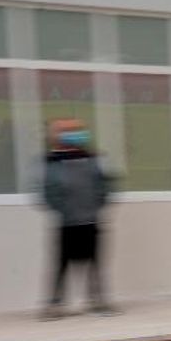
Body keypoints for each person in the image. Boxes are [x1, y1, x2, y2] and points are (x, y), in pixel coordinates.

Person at [41, 119, 116, 318]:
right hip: (67, 223)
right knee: (61, 264)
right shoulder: (51, 162)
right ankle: (55, 304)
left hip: (91, 221)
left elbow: (106, 186)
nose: (74, 135)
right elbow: (47, 192)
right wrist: (64, 210)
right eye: (67, 132)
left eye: (77, 131)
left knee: (95, 264)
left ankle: (98, 301)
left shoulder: (94, 159)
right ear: (57, 136)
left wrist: (96, 207)